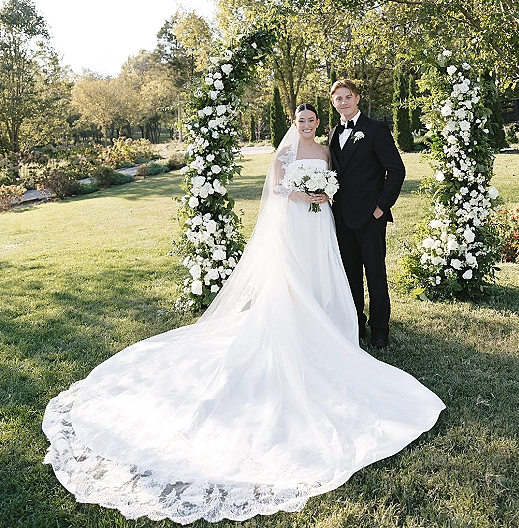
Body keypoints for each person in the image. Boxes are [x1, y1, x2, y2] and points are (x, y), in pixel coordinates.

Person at [43, 104, 443, 524]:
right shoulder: (284, 153)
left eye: (311, 120)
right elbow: (276, 190)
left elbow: (341, 182)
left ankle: (343, 325)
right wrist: (304, 193)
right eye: (300, 121)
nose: (306, 125)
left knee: (329, 275)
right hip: (296, 221)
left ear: (318, 124)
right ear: (294, 123)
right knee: (295, 281)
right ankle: (300, 324)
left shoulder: (326, 152)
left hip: (322, 222)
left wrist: (326, 194)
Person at [329, 80, 406, 348]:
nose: (344, 102)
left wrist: (380, 208)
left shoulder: (375, 129)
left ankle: (380, 330)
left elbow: (396, 171)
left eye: (348, 97)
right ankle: (356, 324)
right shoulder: (332, 133)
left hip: (370, 217)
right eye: (338, 98)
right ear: (333, 102)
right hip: (340, 217)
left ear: (358, 98)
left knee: (375, 274)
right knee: (349, 274)